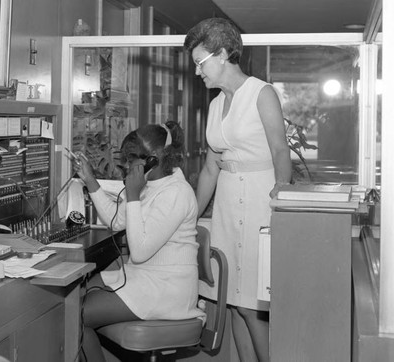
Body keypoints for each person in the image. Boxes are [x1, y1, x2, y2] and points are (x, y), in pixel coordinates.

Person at [184, 18, 292, 362]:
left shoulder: (262, 93)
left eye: (201, 63)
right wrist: (190, 216)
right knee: (232, 305)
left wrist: (281, 210)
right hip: (228, 210)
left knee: (253, 309)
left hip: (262, 204)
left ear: (224, 53)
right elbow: (210, 168)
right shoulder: (215, 106)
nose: (198, 72)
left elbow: (280, 152)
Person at [73, 121, 204, 362]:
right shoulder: (151, 184)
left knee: (75, 315)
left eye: (129, 162)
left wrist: (133, 194)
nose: (125, 168)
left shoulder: (177, 192)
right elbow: (118, 221)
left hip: (167, 288)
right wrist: (91, 181)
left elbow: (141, 251)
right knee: (75, 296)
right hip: (145, 277)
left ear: (152, 159)